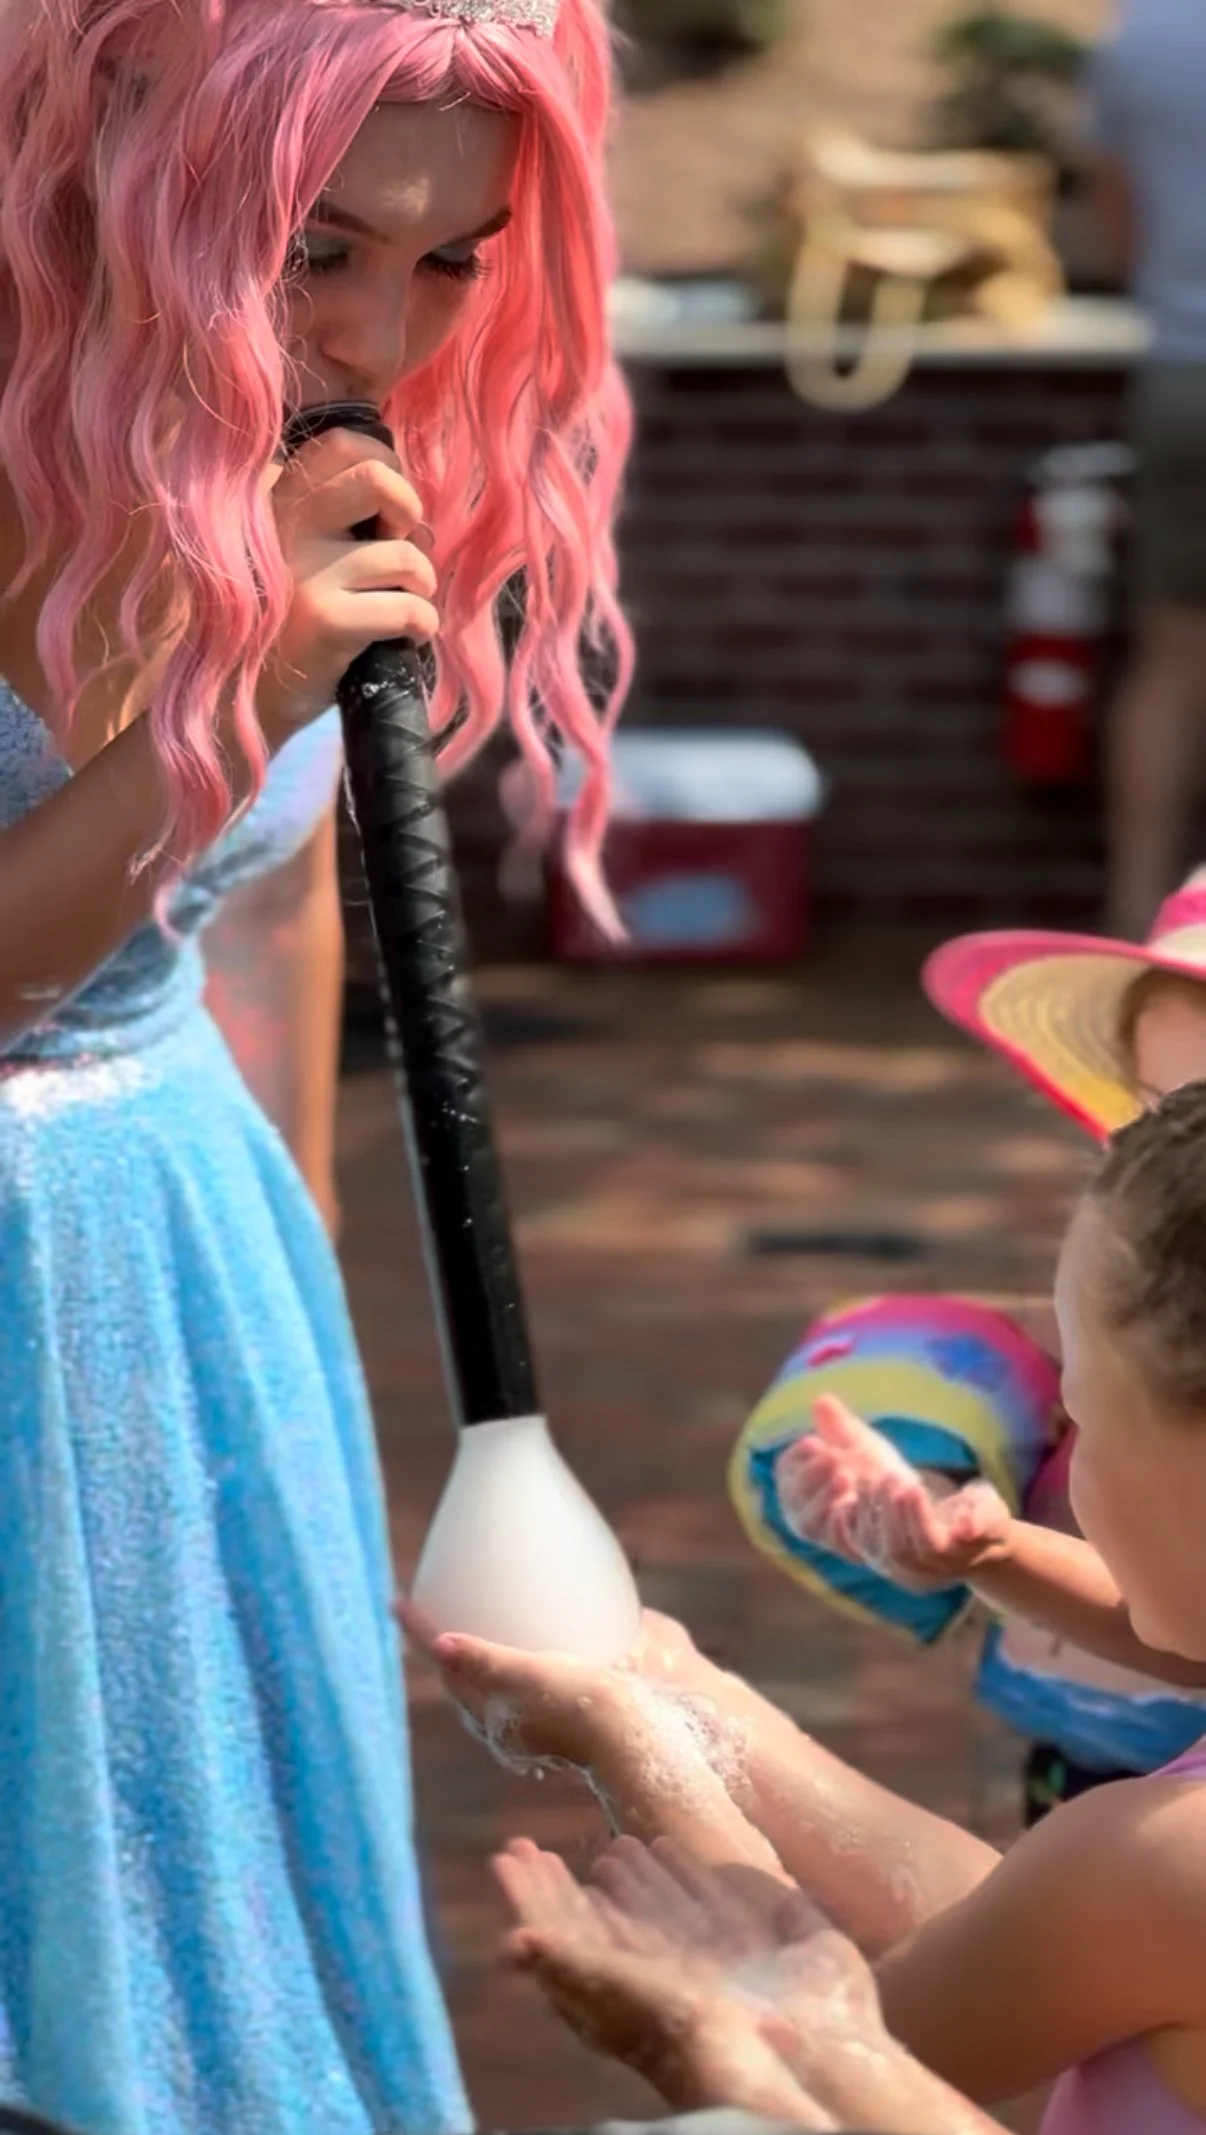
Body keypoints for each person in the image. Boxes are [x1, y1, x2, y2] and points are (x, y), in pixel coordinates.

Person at [0, 0, 631, 2127]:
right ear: (115, 151)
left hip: (190, 1266)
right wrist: (239, 697)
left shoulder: (264, 458)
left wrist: (302, 1391)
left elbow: (267, 927)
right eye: (316, 247)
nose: (377, 332)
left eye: (451, 262)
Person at [407, 1079, 1206, 2133]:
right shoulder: (1137, 1883)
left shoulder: (1153, 1870)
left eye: (1080, 1414)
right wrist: (997, 1552)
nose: (1061, 1453)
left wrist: (637, 1747)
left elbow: (851, 2041)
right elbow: (1036, 1934)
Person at [1081, 3, 1206, 936]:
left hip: (1184, 373)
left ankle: (1141, 921)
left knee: (1172, 660)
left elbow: (1115, 232)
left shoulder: (1144, 32)